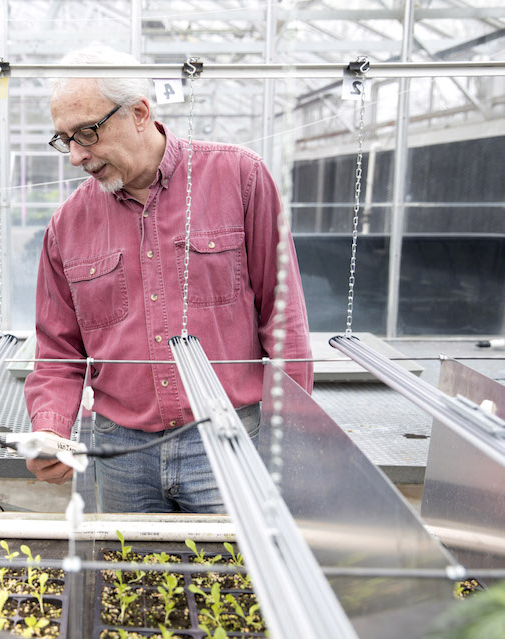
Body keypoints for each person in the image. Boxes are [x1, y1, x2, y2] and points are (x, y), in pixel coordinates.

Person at [24, 46, 312, 514]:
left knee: (233, 580)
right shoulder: (67, 225)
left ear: (139, 112)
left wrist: (293, 436)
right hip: (119, 453)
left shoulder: (239, 177)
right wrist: (52, 428)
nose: (76, 156)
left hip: (228, 441)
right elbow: (58, 350)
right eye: (64, 139)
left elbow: (283, 319)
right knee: (129, 583)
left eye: (87, 133)